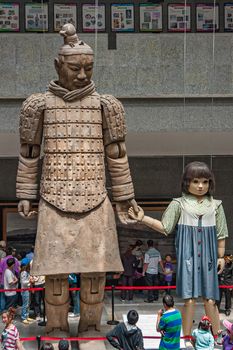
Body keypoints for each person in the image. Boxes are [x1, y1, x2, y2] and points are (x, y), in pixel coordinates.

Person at [16, 23, 137, 333]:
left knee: (95, 274)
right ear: (59, 66)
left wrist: (124, 197)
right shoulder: (39, 105)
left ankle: (90, 328)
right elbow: (29, 153)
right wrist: (26, 193)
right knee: (55, 275)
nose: (83, 76)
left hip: (95, 198)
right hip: (53, 199)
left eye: (88, 68)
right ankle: (56, 327)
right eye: (75, 68)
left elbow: (116, 154)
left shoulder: (105, 105)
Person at [129, 161, 228, 336]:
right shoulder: (178, 204)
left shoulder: (216, 205)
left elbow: (221, 234)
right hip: (187, 256)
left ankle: (217, 335)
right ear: (187, 182)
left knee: (211, 300)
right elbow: (165, 227)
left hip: (209, 258)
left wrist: (221, 256)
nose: (200, 186)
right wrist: (143, 218)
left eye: (205, 182)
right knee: (189, 300)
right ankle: (187, 336)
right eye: (196, 181)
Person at [20, 258, 34, 324]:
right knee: (25, 304)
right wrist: (29, 281)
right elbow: (23, 282)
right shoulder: (24, 272)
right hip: (25, 290)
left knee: (28, 304)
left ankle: (26, 316)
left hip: (28, 289)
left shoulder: (27, 272)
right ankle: (23, 317)